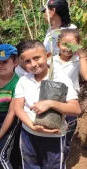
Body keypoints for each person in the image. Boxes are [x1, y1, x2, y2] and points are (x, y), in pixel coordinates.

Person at [14, 40, 81, 169]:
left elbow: (75, 109)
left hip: (54, 137)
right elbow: (18, 107)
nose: (33, 64)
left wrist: (51, 103)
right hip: (28, 136)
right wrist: (32, 127)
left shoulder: (61, 78)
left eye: (37, 58)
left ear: (48, 55)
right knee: (30, 165)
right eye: (27, 61)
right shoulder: (23, 80)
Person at [50, 29, 87, 158]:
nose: (68, 48)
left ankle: (62, 158)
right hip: (53, 102)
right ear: (58, 44)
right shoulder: (51, 61)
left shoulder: (78, 60)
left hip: (70, 103)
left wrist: (82, 54)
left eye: (72, 44)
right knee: (53, 131)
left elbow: (86, 76)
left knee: (68, 132)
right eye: (65, 44)